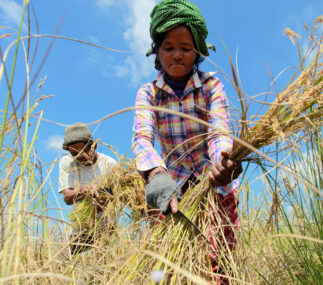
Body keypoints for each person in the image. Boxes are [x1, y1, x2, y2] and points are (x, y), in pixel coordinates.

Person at [131, 0, 242, 283]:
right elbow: (142, 138)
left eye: (185, 48)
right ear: (156, 51)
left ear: (198, 52)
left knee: (218, 266)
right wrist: (156, 174)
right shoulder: (149, 94)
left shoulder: (210, 87)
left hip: (213, 184)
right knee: (169, 266)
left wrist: (223, 162)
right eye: (168, 47)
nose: (177, 55)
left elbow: (219, 132)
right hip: (173, 190)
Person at [58, 122, 117, 254]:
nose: (79, 156)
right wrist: (83, 190)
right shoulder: (67, 163)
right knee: (63, 256)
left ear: (93, 146)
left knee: (102, 265)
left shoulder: (110, 164)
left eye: (83, 150)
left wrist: (103, 201)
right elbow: (67, 197)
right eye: (74, 153)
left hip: (105, 227)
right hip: (80, 226)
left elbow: (117, 196)